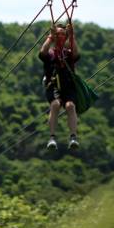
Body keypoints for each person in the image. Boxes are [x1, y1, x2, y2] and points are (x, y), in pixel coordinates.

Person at [39, 22, 80, 150]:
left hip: (68, 84)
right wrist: (50, 37)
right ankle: (52, 138)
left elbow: (76, 54)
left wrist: (72, 36)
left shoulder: (68, 53)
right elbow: (42, 53)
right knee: (55, 104)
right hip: (53, 84)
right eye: (58, 34)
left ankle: (73, 137)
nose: (61, 36)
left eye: (63, 34)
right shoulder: (51, 53)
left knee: (70, 106)